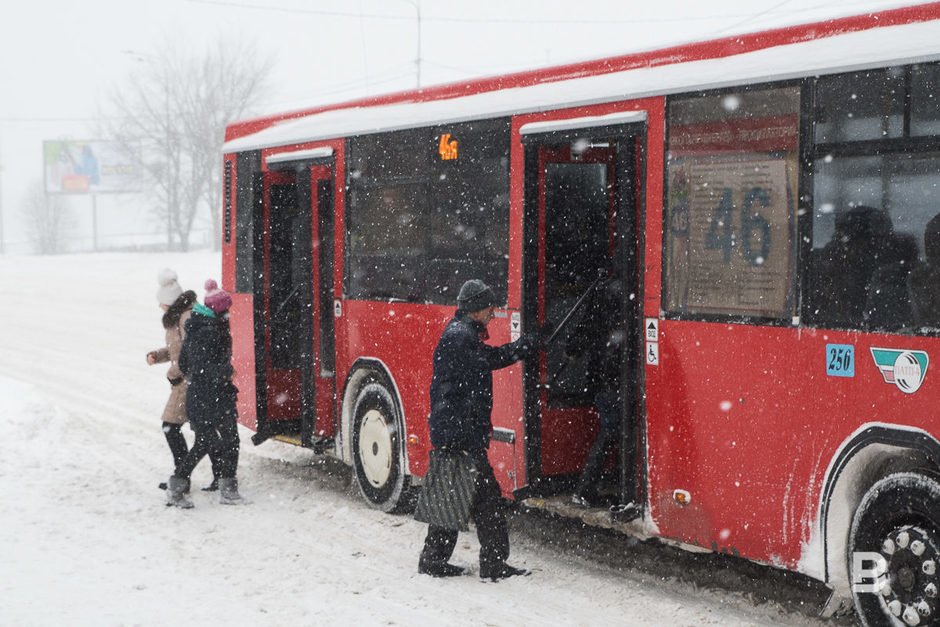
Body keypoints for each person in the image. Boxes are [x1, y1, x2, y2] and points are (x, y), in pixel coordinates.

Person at [418, 279, 537, 581]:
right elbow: (488, 361)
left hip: (455, 429)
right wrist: (522, 348)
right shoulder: (460, 338)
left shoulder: (460, 333)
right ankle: (493, 564)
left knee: (452, 494)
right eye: (490, 309)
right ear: (476, 309)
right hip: (460, 432)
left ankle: (434, 560)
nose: (493, 315)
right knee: (487, 502)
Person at [564, 275, 639, 519]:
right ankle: (590, 488)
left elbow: (579, 338)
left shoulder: (600, 296)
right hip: (615, 379)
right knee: (614, 430)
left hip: (602, 379)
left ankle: (591, 488)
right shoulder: (626, 298)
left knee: (612, 431)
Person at [166, 279, 243, 508]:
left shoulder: (202, 326)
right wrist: (226, 370)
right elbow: (200, 366)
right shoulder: (206, 331)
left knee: (223, 441)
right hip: (206, 396)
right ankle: (179, 487)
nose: (229, 314)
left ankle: (225, 488)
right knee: (212, 442)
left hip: (210, 395)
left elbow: (185, 362)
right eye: (226, 310)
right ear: (218, 310)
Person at [146, 269, 196, 480]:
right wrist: (157, 356)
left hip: (187, 381)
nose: (159, 306)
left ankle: (181, 475)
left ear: (170, 301)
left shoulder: (185, 318)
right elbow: (177, 349)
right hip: (186, 380)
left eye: (161, 302)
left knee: (170, 426)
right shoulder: (178, 317)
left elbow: (189, 351)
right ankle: (218, 476)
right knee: (205, 434)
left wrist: (175, 373)